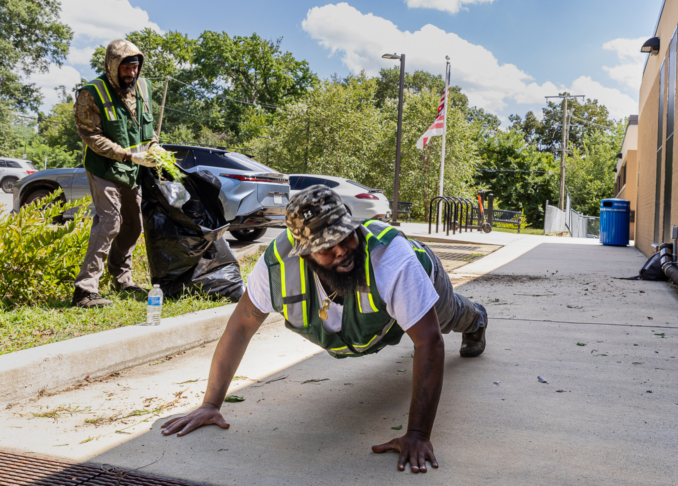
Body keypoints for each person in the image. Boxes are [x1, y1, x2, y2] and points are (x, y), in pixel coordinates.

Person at [161, 185, 489, 473]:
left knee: (452, 317)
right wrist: (211, 404)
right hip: (367, 321)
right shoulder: (275, 267)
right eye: (326, 246)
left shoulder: (393, 260)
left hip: (423, 272)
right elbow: (240, 328)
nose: (342, 249)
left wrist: (417, 434)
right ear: (303, 254)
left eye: (345, 234)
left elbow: (429, 343)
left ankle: (477, 320)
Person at [71, 40, 159, 308]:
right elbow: (91, 136)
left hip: (132, 170)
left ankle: (122, 279)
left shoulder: (143, 88)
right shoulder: (91, 93)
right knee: (110, 221)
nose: (131, 74)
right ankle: (85, 290)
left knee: (133, 225)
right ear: (112, 66)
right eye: (125, 68)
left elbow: (148, 128)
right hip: (104, 168)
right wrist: (129, 155)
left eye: (135, 68)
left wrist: (154, 146)